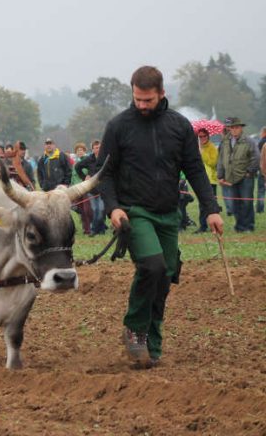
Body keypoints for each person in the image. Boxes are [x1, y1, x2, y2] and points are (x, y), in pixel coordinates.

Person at [98, 66, 223, 368]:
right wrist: (113, 207)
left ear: (162, 94)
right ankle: (134, 330)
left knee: (165, 277)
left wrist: (211, 209)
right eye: (137, 99)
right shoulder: (118, 126)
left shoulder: (179, 126)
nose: (142, 106)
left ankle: (152, 342)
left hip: (168, 214)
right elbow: (104, 173)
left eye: (148, 100)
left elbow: (194, 169)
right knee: (152, 267)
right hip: (134, 212)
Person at [217, 117, 260, 232]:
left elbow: (256, 157)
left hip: (246, 177)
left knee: (246, 202)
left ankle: (249, 226)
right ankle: (239, 226)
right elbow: (221, 159)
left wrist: (250, 172)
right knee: (234, 202)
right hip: (230, 177)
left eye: (237, 127)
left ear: (241, 128)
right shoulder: (225, 142)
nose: (234, 130)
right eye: (232, 128)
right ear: (229, 129)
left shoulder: (249, 141)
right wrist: (220, 175)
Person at [75, 140, 106, 236]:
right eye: (96, 147)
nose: (98, 149)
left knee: (100, 210)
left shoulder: (105, 158)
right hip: (91, 190)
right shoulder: (89, 159)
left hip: (102, 189)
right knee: (93, 210)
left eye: (100, 147)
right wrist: (84, 177)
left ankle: (97, 229)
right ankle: (96, 230)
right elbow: (77, 167)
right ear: (92, 149)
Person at [195, 128, 219, 233]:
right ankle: (203, 226)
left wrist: (202, 153)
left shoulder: (212, 147)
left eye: (204, 136)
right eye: (200, 136)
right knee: (201, 205)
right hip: (200, 180)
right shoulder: (196, 148)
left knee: (210, 205)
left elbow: (213, 163)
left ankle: (212, 225)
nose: (202, 138)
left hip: (210, 180)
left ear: (208, 136)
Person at [256, 126, 266, 213]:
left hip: (263, 171)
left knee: (261, 191)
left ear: (264, 132)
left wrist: (263, 173)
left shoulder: (262, 142)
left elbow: (260, 158)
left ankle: (260, 209)